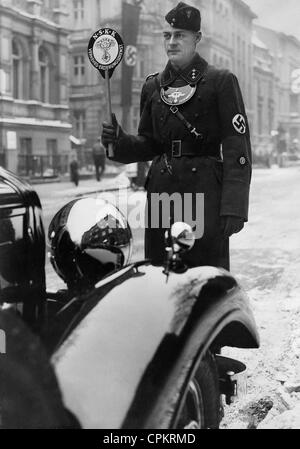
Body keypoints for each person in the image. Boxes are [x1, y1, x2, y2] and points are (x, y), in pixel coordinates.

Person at [102, 2, 252, 271]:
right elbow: (148, 143)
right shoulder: (153, 86)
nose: (171, 42)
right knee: (161, 271)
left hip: (204, 193)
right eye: (167, 36)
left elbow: (236, 148)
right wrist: (120, 141)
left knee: (204, 275)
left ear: (197, 39)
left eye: (180, 35)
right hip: (162, 191)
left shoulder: (220, 81)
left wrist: (234, 206)